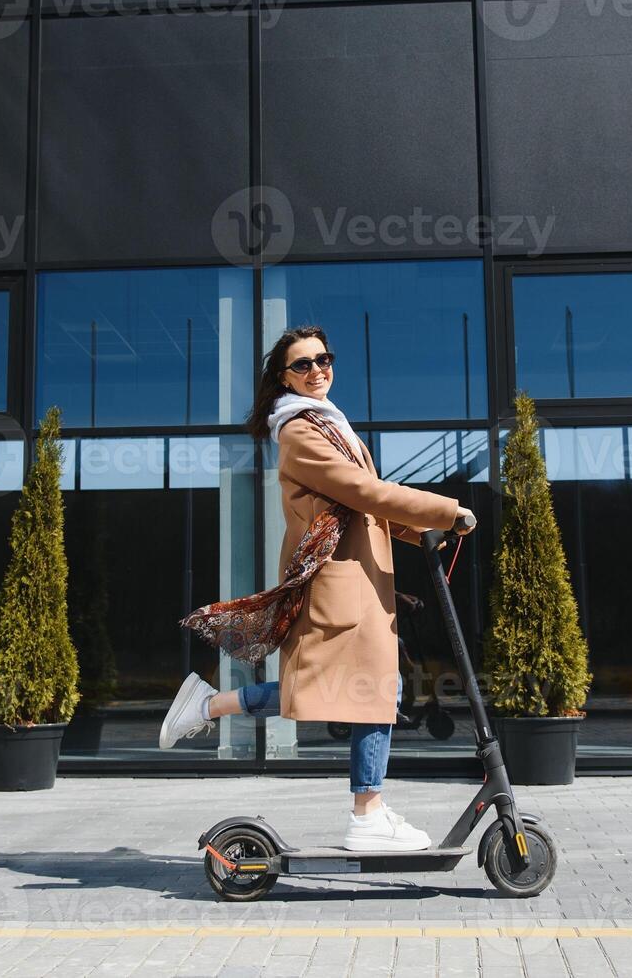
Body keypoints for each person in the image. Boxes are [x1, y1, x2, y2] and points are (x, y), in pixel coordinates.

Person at [159, 325, 475, 851]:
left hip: (359, 582)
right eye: (302, 365)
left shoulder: (332, 426)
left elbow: (361, 507)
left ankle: (212, 706)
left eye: (323, 359)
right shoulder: (300, 433)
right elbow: (362, 490)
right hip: (336, 587)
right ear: (283, 380)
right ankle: (367, 814)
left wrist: (423, 533)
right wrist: (443, 509)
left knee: (362, 691)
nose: (317, 370)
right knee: (366, 691)